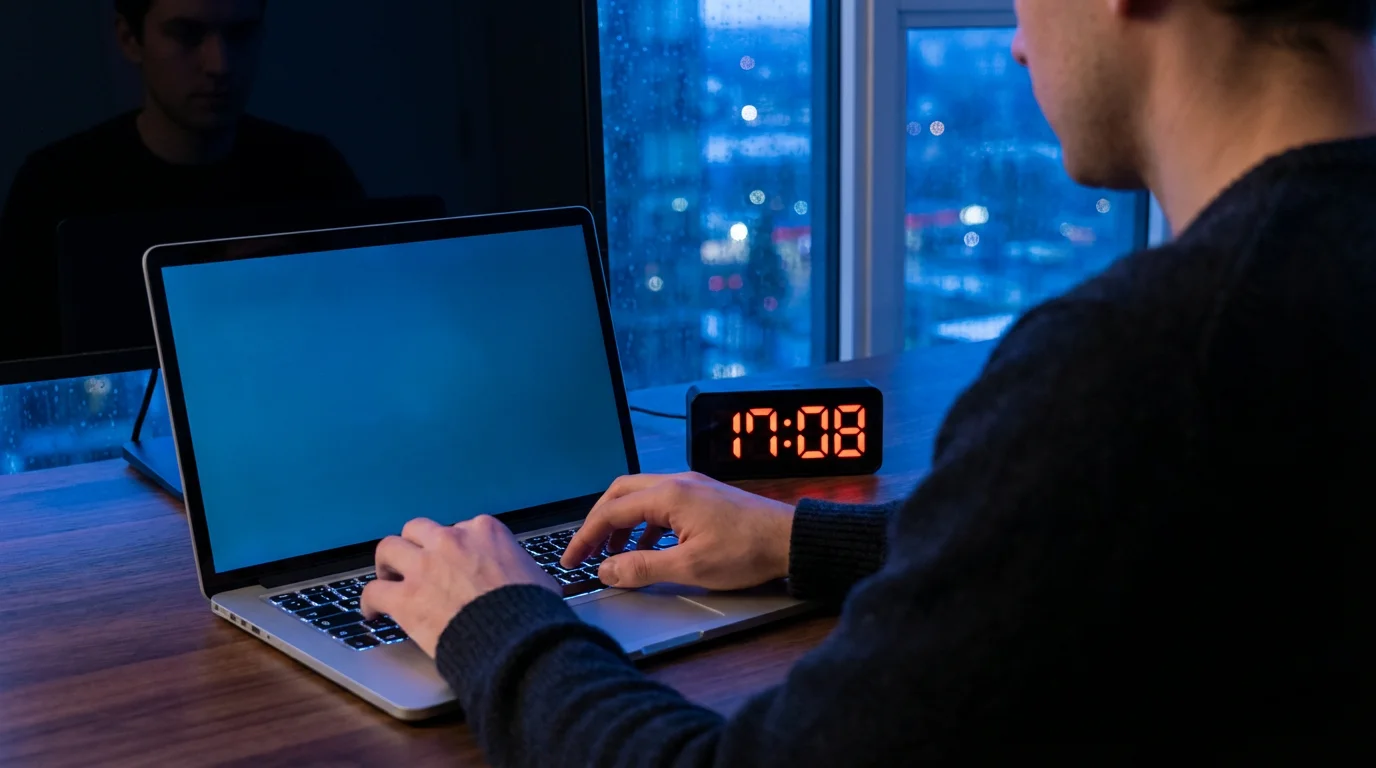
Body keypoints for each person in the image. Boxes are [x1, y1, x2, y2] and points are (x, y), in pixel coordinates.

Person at [362, 0, 1374, 762]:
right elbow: (1159, 531)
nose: (1017, 42)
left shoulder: (1141, 362)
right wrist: (795, 538)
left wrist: (494, 619)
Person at [0, 0, 362, 362]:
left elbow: (362, 334)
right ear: (129, 38)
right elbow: (24, 369)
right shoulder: (56, 186)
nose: (219, 65)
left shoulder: (313, 173)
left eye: (241, 34)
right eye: (187, 34)